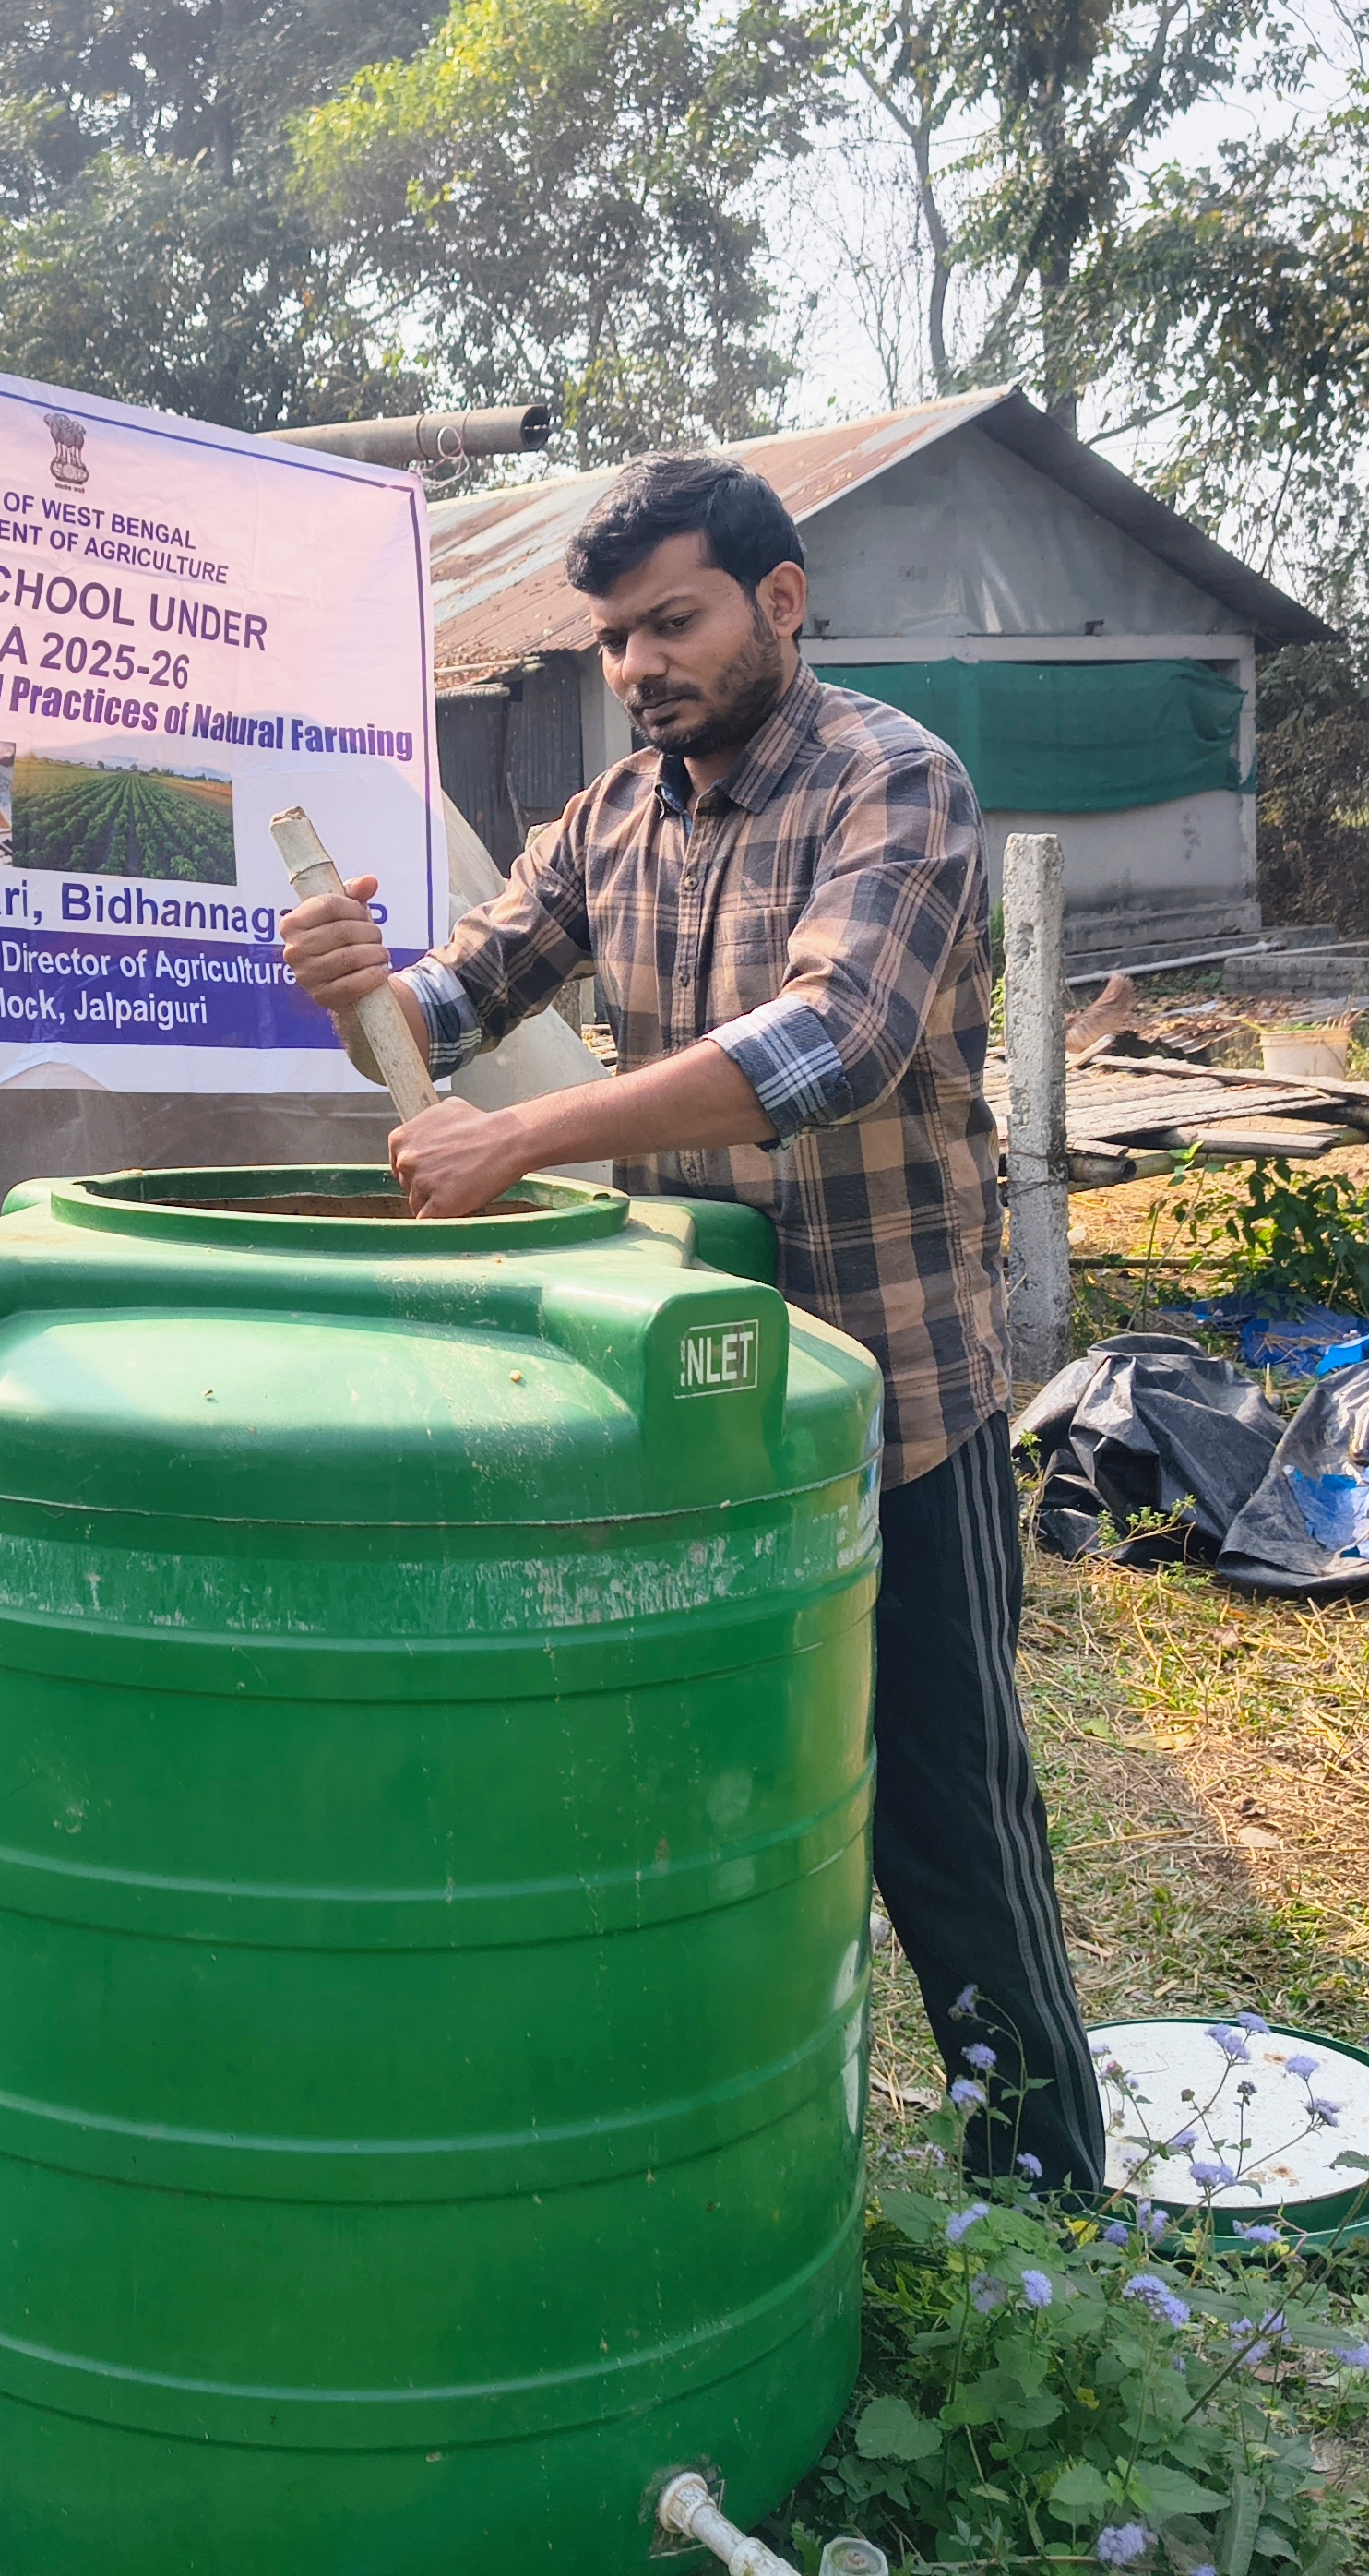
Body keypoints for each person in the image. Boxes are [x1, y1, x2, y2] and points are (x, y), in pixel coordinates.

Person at [277, 450, 1105, 2189]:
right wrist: (369, 989)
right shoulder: (608, 819)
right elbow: (467, 990)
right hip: (681, 1408)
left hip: (892, 1398)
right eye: (612, 641)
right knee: (705, 1800)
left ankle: (1050, 2220)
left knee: (946, 1820)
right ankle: (712, 2168)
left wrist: (523, 1132)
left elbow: (833, 1042)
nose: (641, 667)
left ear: (779, 603)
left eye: (674, 622)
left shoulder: (896, 783)